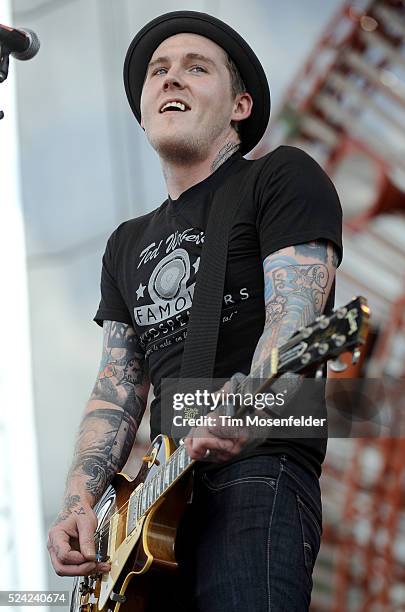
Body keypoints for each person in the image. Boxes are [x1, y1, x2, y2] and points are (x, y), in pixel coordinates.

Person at [47, 10, 342, 611]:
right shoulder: (125, 242)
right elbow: (115, 390)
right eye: (158, 71)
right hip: (154, 508)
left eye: (195, 67)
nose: (170, 79)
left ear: (239, 105)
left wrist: (248, 408)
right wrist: (79, 504)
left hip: (256, 474)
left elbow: (295, 321)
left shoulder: (280, 178)